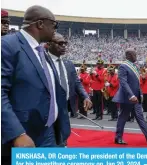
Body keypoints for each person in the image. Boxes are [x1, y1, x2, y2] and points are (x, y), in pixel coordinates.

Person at [1, 5, 69, 164]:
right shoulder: (7, 45)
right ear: (40, 24)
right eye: (54, 24)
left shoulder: (40, 51)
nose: (55, 29)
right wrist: (17, 134)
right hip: (23, 136)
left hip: (48, 132)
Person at [113, 48, 147, 145]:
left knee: (140, 116)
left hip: (136, 96)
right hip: (128, 97)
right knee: (123, 117)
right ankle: (118, 137)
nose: (136, 56)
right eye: (134, 55)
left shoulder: (134, 66)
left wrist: (140, 94)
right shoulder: (123, 66)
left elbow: (136, 83)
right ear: (128, 56)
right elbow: (123, 82)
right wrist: (131, 95)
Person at [47, 32, 92, 119]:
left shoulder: (69, 64)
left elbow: (77, 83)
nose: (64, 46)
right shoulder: (42, 62)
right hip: (48, 108)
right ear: (49, 44)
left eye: (65, 43)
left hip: (65, 107)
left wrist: (85, 96)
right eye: (60, 43)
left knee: (64, 132)